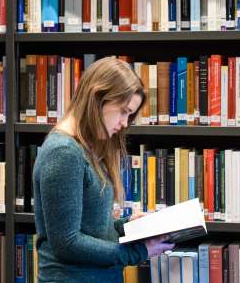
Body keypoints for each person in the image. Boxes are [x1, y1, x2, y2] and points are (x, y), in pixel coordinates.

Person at [33, 56, 174, 282]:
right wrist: (139, 252)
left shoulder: (85, 148)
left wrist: (128, 226)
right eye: (123, 111)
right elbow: (67, 243)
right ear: (98, 97)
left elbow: (93, 228)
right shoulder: (63, 152)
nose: (125, 123)